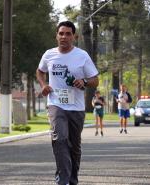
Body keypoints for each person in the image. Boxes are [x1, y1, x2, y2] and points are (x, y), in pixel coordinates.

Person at [36, 21, 99, 185]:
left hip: (76, 107)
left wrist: (84, 82)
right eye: (61, 33)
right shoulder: (49, 54)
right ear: (56, 36)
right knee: (60, 139)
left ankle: (72, 179)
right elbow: (40, 71)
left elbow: (95, 80)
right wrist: (44, 86)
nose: (64, 36)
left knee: (74, 146)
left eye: (68, 34)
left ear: (74, 37)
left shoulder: (82, 56)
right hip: (56, 104)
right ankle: (62, 180)